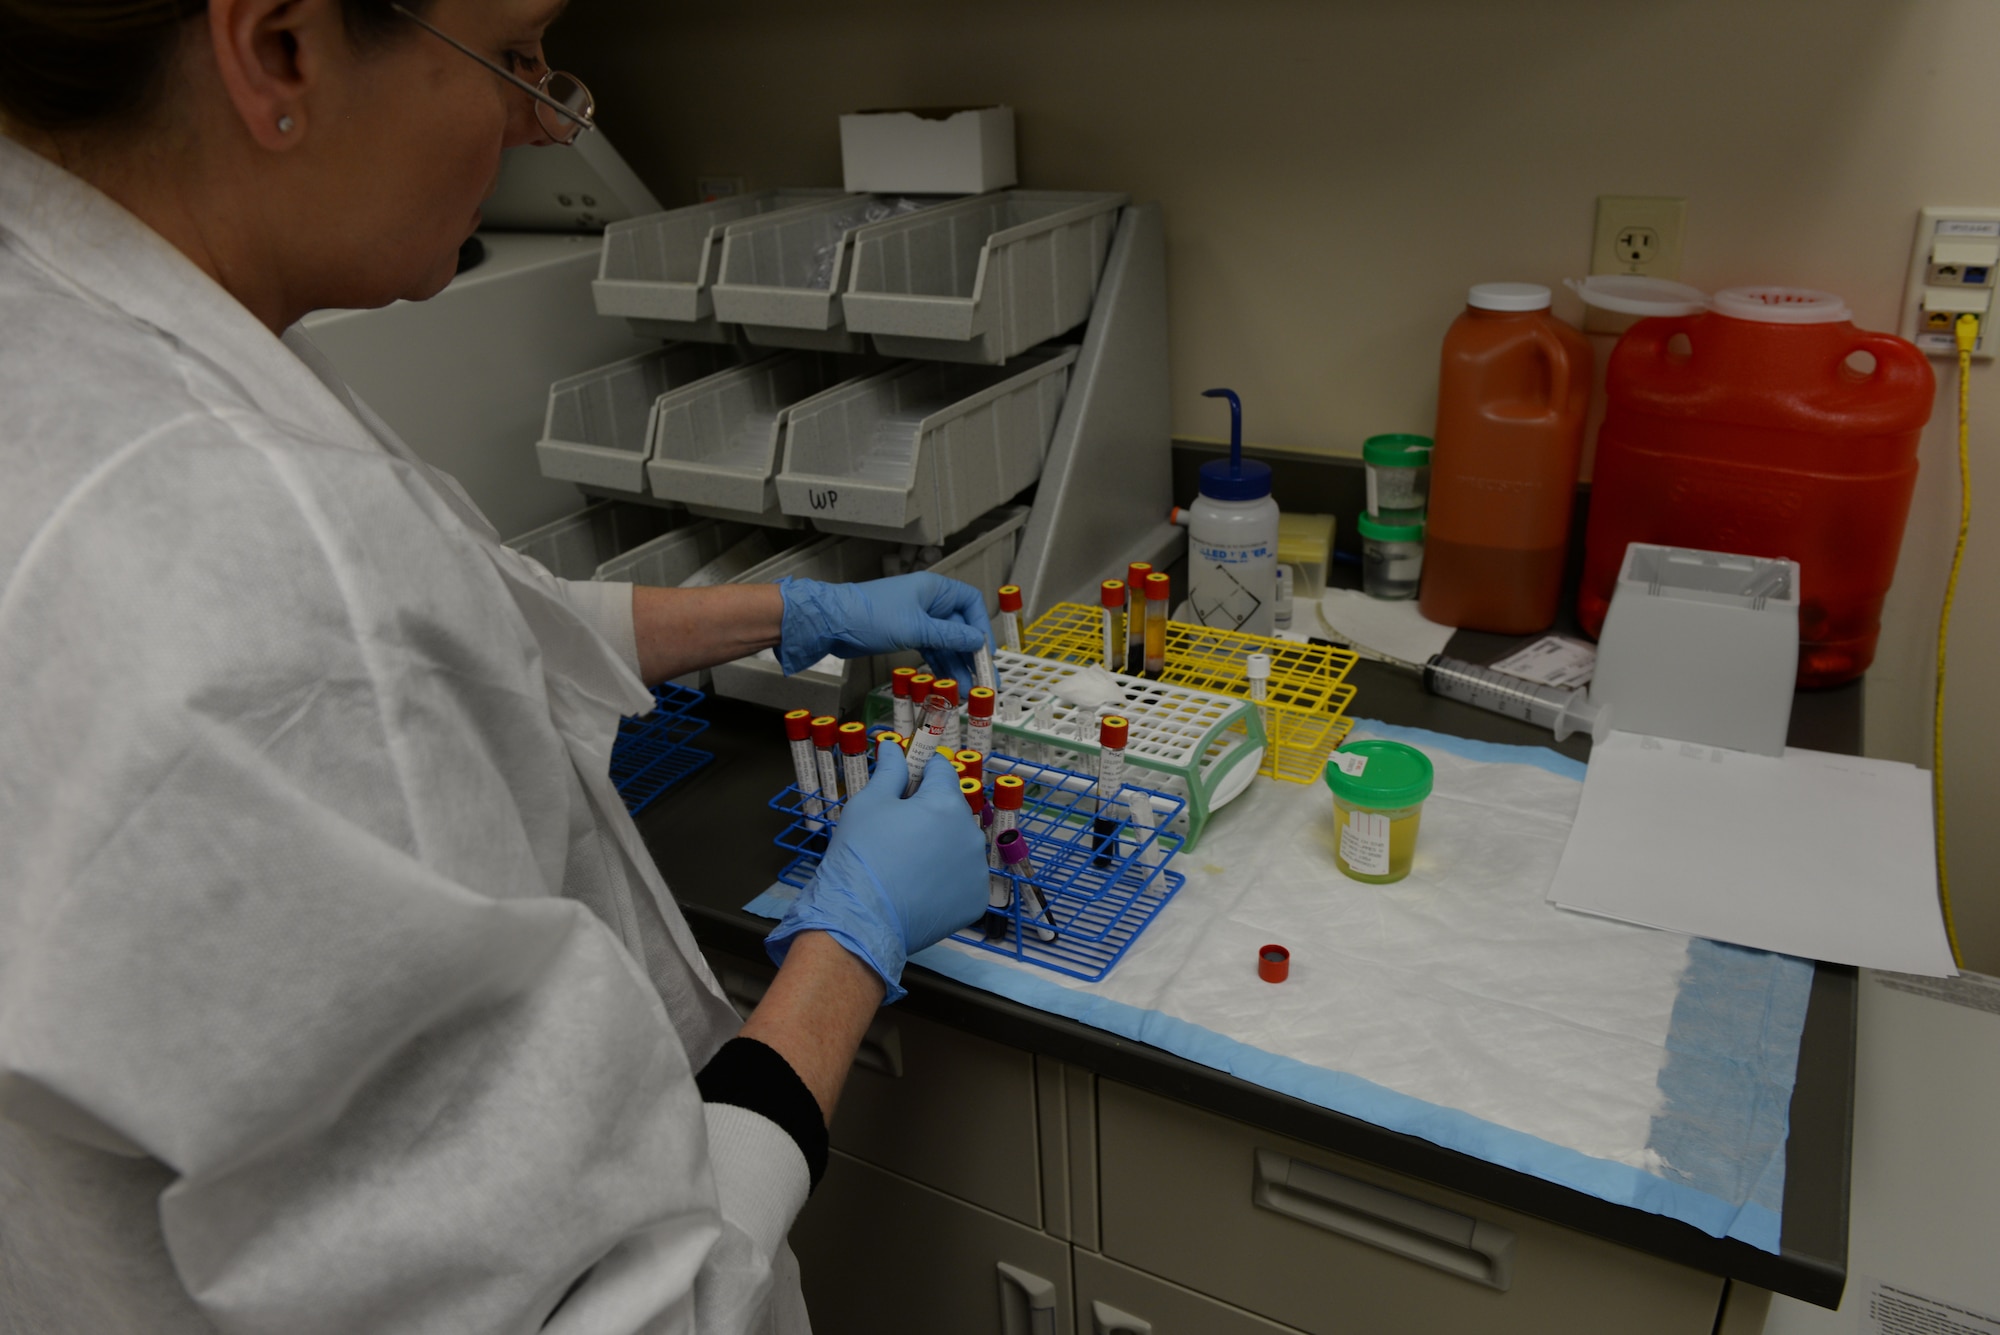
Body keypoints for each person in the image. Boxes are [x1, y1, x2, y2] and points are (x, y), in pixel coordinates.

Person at [0, 1, 992, 1330]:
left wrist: (789, 611)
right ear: (279, 49)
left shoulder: (80, 345)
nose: (546, 118)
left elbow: (469, 619)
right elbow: (611, 1313)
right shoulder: (255, 556)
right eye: (511, 56)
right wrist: (846, 948)